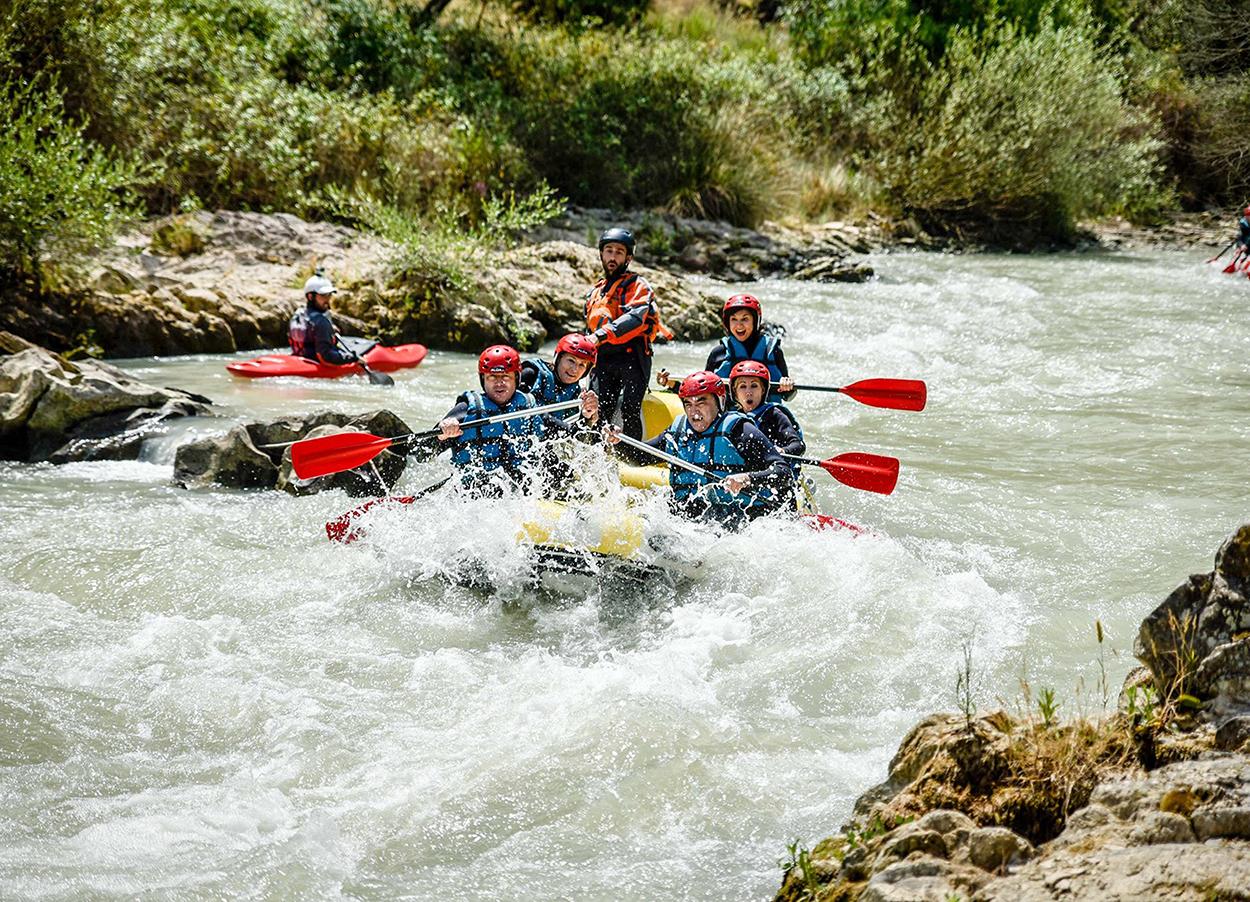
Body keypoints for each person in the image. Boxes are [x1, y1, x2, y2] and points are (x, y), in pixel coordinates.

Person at [605, 370, 793, 529]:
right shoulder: (677, 431)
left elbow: (783, 472)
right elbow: (639, 457)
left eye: (701, 402)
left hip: (738, 517)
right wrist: (618, 442)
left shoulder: (739, 430)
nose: (694, 411)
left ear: (719, 400)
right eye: (688, 403)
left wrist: (747, 478)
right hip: (689, 515)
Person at [434, 345, 598, 496]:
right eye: (492, 377)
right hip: (476, 494)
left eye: (506, 376)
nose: (500, 383)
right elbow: (420, 453)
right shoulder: (465, 410)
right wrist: (441, 436)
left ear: (517, 379)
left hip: (518, 491)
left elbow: (573, 436)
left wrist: (587, 417)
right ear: (482, 380)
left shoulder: (530, 410)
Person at [583, 227, 670, 440]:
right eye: (609, 251)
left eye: (619, 252)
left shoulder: (639, 285)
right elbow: (589, 329)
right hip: (603, 358)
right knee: (596, 410)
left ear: (628, 257)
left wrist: (600, 335)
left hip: (633, 355)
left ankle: (631, 459)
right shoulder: (595, 292)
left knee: (630, 410)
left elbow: (635, 318)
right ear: (601, 254)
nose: (613, 256)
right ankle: (595, 456)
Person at [660, 294, 795, 401]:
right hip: (730, 417)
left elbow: (788, 396)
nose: (739, 325)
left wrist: (788, 386)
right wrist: (672, 384)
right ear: (727, 323)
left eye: (745, 319)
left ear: (756, 321)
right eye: (734, 319)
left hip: (767, 415)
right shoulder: (719, 353)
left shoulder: (772, 351)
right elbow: (702, 393)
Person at [289, 273, 356, 365]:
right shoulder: (321, 322)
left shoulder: (298, 314)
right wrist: (352, 358)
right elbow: (326, 357)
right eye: (323, 295)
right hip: (315, 363)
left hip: (300, 359)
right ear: (310, 296)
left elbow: (310, 332)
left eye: (329, 295)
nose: (328, 300)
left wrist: (329, 331)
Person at [520, 333, 598, 407]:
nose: (575, 370)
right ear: (558, 358)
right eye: (571, 361)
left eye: (582, 365)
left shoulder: (576, 392)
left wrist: (589, 418)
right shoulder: (531, 374)